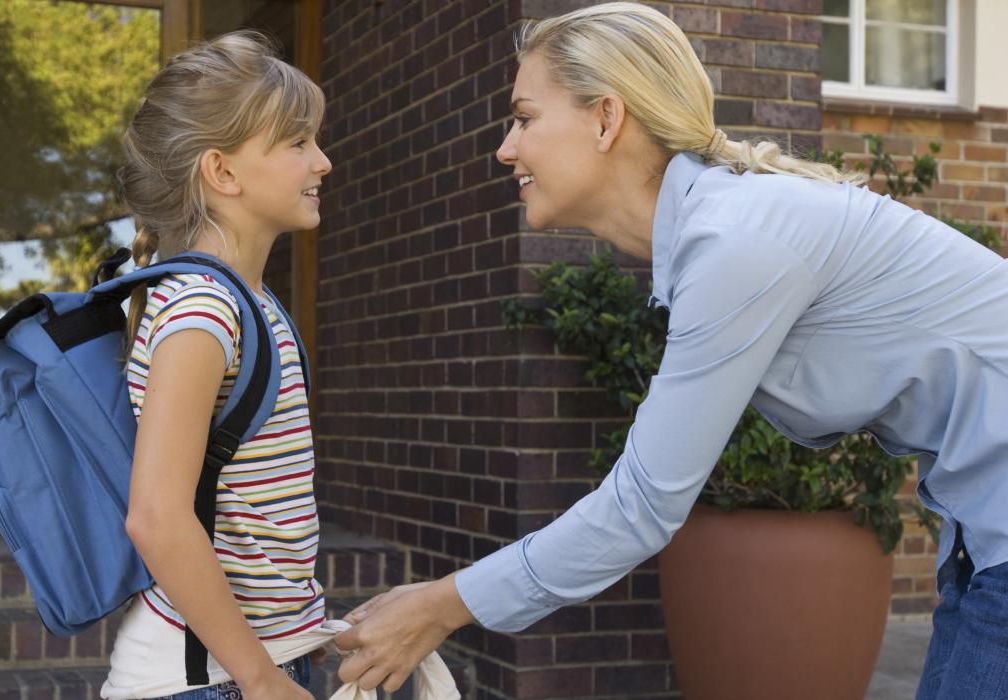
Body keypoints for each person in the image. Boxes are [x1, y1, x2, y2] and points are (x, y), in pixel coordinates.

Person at [333, 4, 1008, 699]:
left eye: (525, 118)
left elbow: (641, 507)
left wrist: (443, 604)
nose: (507, 148)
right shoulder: (716, 238)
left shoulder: (736, 243)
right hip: (983, 537)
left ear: (605, 118)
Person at [99, 32, 330, 700]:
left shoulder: (247, 301)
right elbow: (157, 516)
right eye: (297, 143)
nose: (324, 162)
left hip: (255, 660)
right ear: (222, 172)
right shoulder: (204, 310)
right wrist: (259, 678)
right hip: (215, 678)